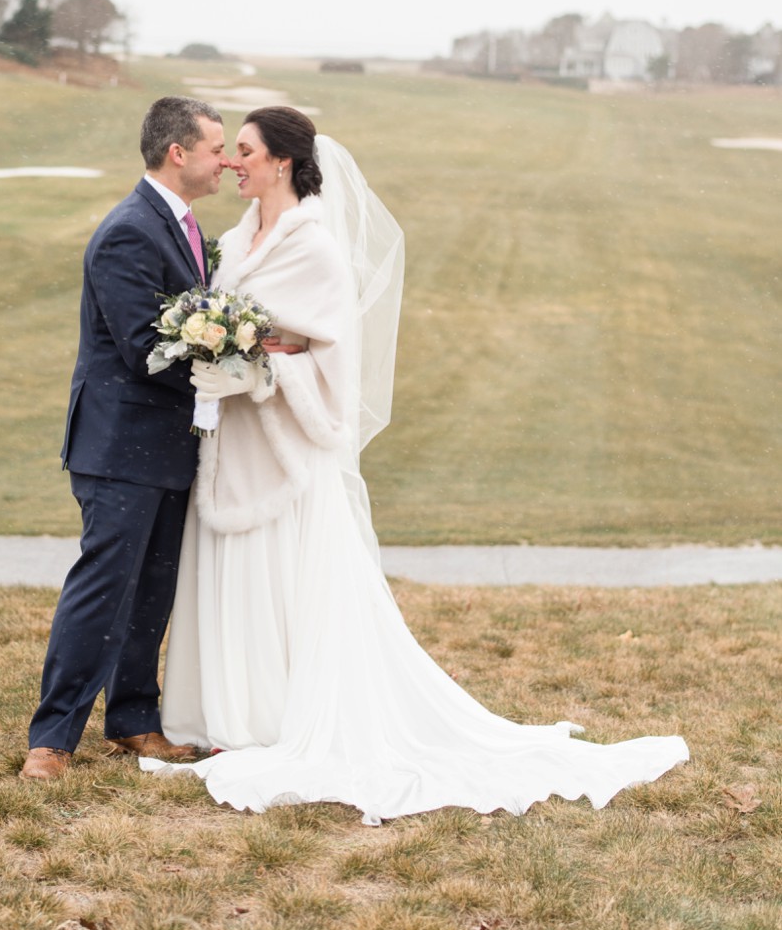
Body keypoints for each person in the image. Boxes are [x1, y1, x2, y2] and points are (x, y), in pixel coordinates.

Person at [142, 107, 689, 823]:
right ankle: (225, 720)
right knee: (230, 572)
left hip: (290, 454)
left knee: (283, 583)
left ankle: (271, 722)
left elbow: (327, 360)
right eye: (230, 151)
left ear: (281, 162)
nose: (231, 162)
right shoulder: (239, 241)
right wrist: (229, 354)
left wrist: (261, 373)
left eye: (243, 151)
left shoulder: (316, 247)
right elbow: (252, 330)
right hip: (236, 447)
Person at [20, 96, 229, 781]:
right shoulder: (129, 232)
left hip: (169, 444)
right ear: (179, 153)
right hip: (121, 445)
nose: (224, 160)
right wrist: (233, 366)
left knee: (152, 590)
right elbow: (144, 348)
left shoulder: (187, 227)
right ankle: (51, 740)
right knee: (104, 589)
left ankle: (135, 719)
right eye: (215, 148)